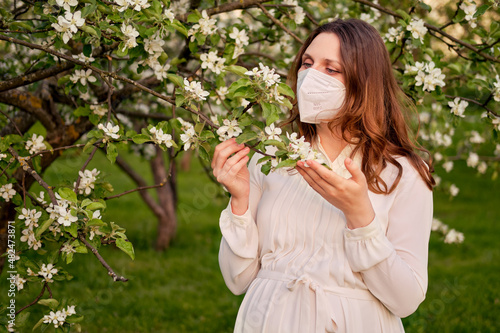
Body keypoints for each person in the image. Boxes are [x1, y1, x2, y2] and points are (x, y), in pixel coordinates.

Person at [211, 18, 435, 333]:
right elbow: (237, 279)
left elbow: (406, 300)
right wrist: (240, 199)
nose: (310, 77)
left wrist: (360, 215)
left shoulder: (402, 173)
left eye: (331, 69)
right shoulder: (271, 158)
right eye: (307, 63)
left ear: (363, 82)